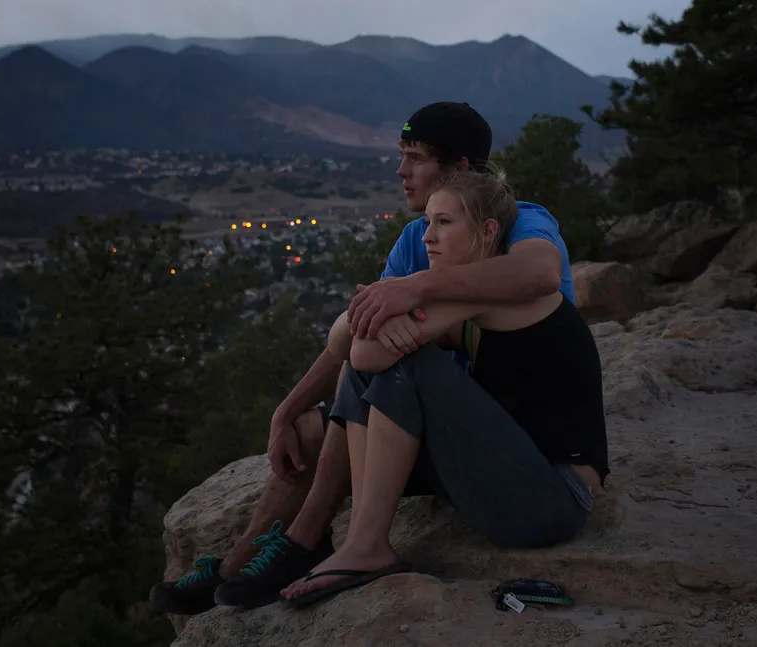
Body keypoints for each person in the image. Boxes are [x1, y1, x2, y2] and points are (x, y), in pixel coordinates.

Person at [149, 102, 578, 615]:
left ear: (460, 168)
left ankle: (312, 542)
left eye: (414, 158)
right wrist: (286, 410)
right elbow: (357, 329)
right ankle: (244, 560)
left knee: (381, 363)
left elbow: (539, 275)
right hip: (437, 429)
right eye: (401, 157)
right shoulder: (418, 238)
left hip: (499, 437)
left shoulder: (518, 221)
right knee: (309, 430)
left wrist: (414, 289)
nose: (401, 172)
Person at [279, 169, 609, 607]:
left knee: (404, 362)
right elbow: (345, 344)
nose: (427, 237)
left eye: (444, 223)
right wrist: (377, 309)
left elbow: (364, 353)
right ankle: (362, 539)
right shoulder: (461, 307)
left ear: (488, 231)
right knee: (370, 374)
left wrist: (387, 304)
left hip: (552, 501)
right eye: (428, 222)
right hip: (511, 482)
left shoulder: (495, 293)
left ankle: (365, 547)